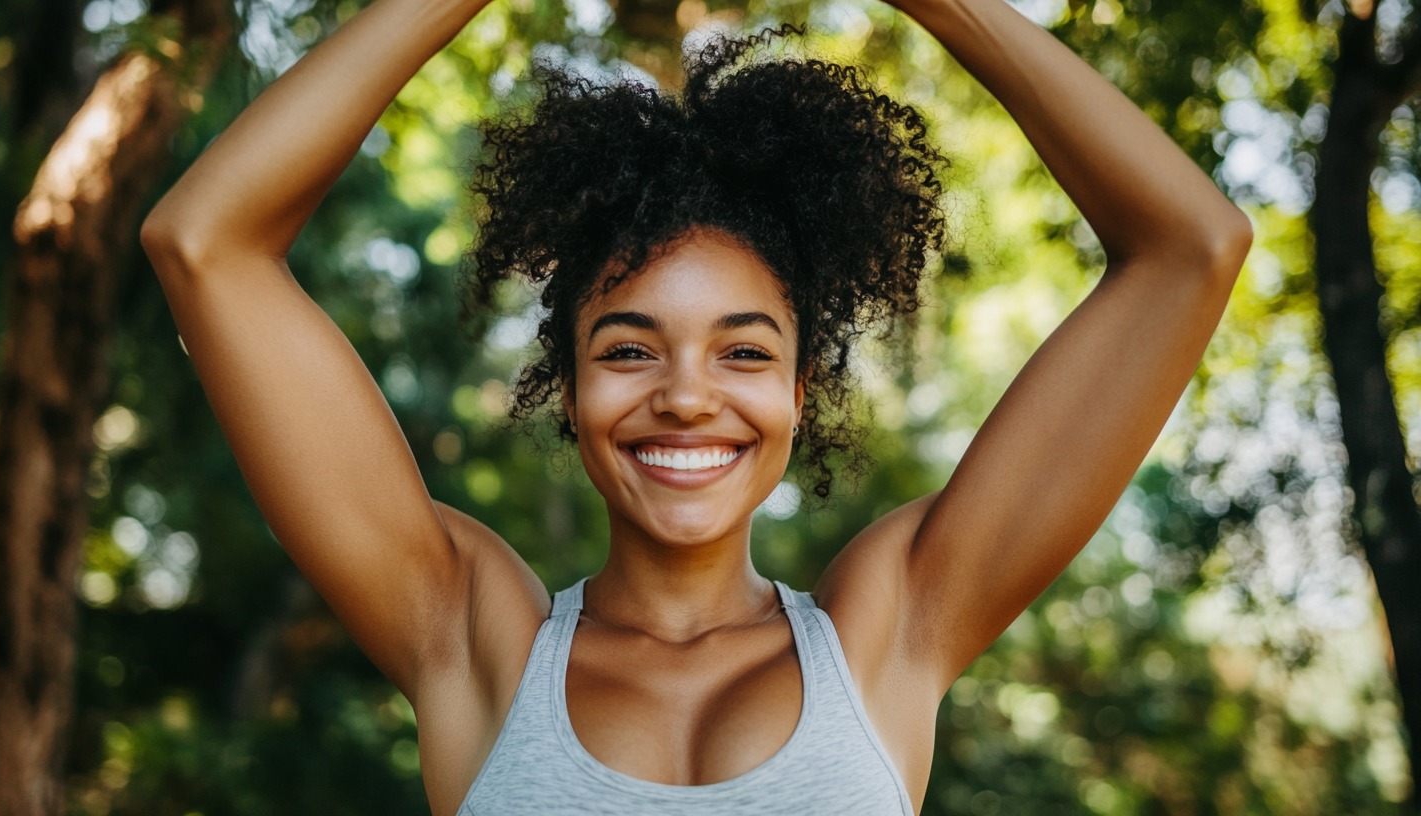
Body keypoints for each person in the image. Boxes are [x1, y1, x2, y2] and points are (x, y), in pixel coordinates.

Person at [139, 0, 1252, 810]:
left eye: (743, 352)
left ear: (798, 393)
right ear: (568, 390)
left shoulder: (892, 628)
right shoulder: (471, 638)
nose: (684, 397)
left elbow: (1192, 248)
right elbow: (203, 243)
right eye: (628, 349)